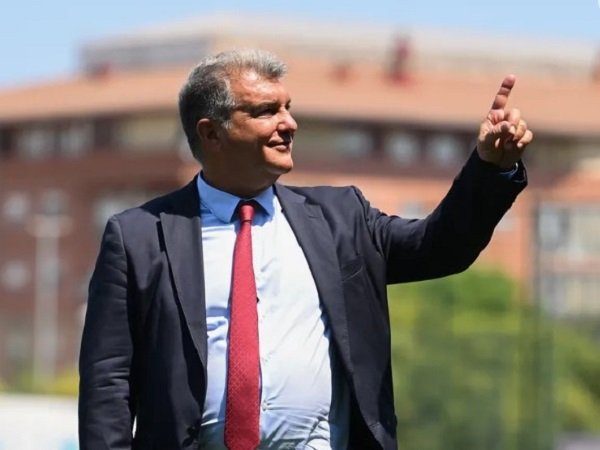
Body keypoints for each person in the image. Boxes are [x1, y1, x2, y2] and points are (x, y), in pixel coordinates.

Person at [79, 49, 532, 450]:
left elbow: (439, 248)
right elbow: (107, 383)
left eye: (288, 108)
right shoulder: (139, 236)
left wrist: (490, 169)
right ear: (211, 133)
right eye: (266, 111)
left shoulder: (341, 217)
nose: (288, 123)